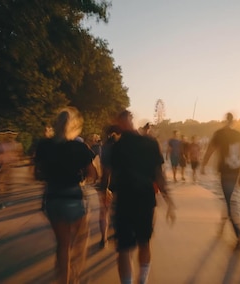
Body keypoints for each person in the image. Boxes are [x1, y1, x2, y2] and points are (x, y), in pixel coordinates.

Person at [110, 110, 176, 284]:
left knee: (124, 249)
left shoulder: (117, 146)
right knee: (144, 243)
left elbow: (111, 176)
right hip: (145, 200)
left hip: (124, 201)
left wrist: (107, 193)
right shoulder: (150, 143)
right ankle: (142, 280)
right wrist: (169, 201)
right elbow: (159, 175)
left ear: (119, 123)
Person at [34, 107, 97, 284]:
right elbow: (93, 174)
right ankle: (76, 270)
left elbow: (37, 174)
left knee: (62, 244)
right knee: (82, 237)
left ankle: (64, 278)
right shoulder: (79, 147)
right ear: (73, 126)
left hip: (53, 197)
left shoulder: (44, 145)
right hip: (74, 197)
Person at [200, 112, 240, 244]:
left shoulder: (219, 134)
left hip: (225, 172)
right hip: (235, 171)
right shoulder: (239, 135)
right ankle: (221, 227)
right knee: (229, 198)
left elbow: (210, 150)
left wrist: (203, 165)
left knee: (229, 201)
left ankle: (239, 235)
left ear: (225, 120)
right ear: (234, 121)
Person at [96, 125, 121, 247]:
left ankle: (103, 238)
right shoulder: (123, 147)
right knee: (120, 211)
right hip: (121, 184)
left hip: (107, 183)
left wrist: (104, 186)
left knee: (104, 211)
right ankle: (119, 234)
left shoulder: (104, 148)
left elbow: (105, 169)